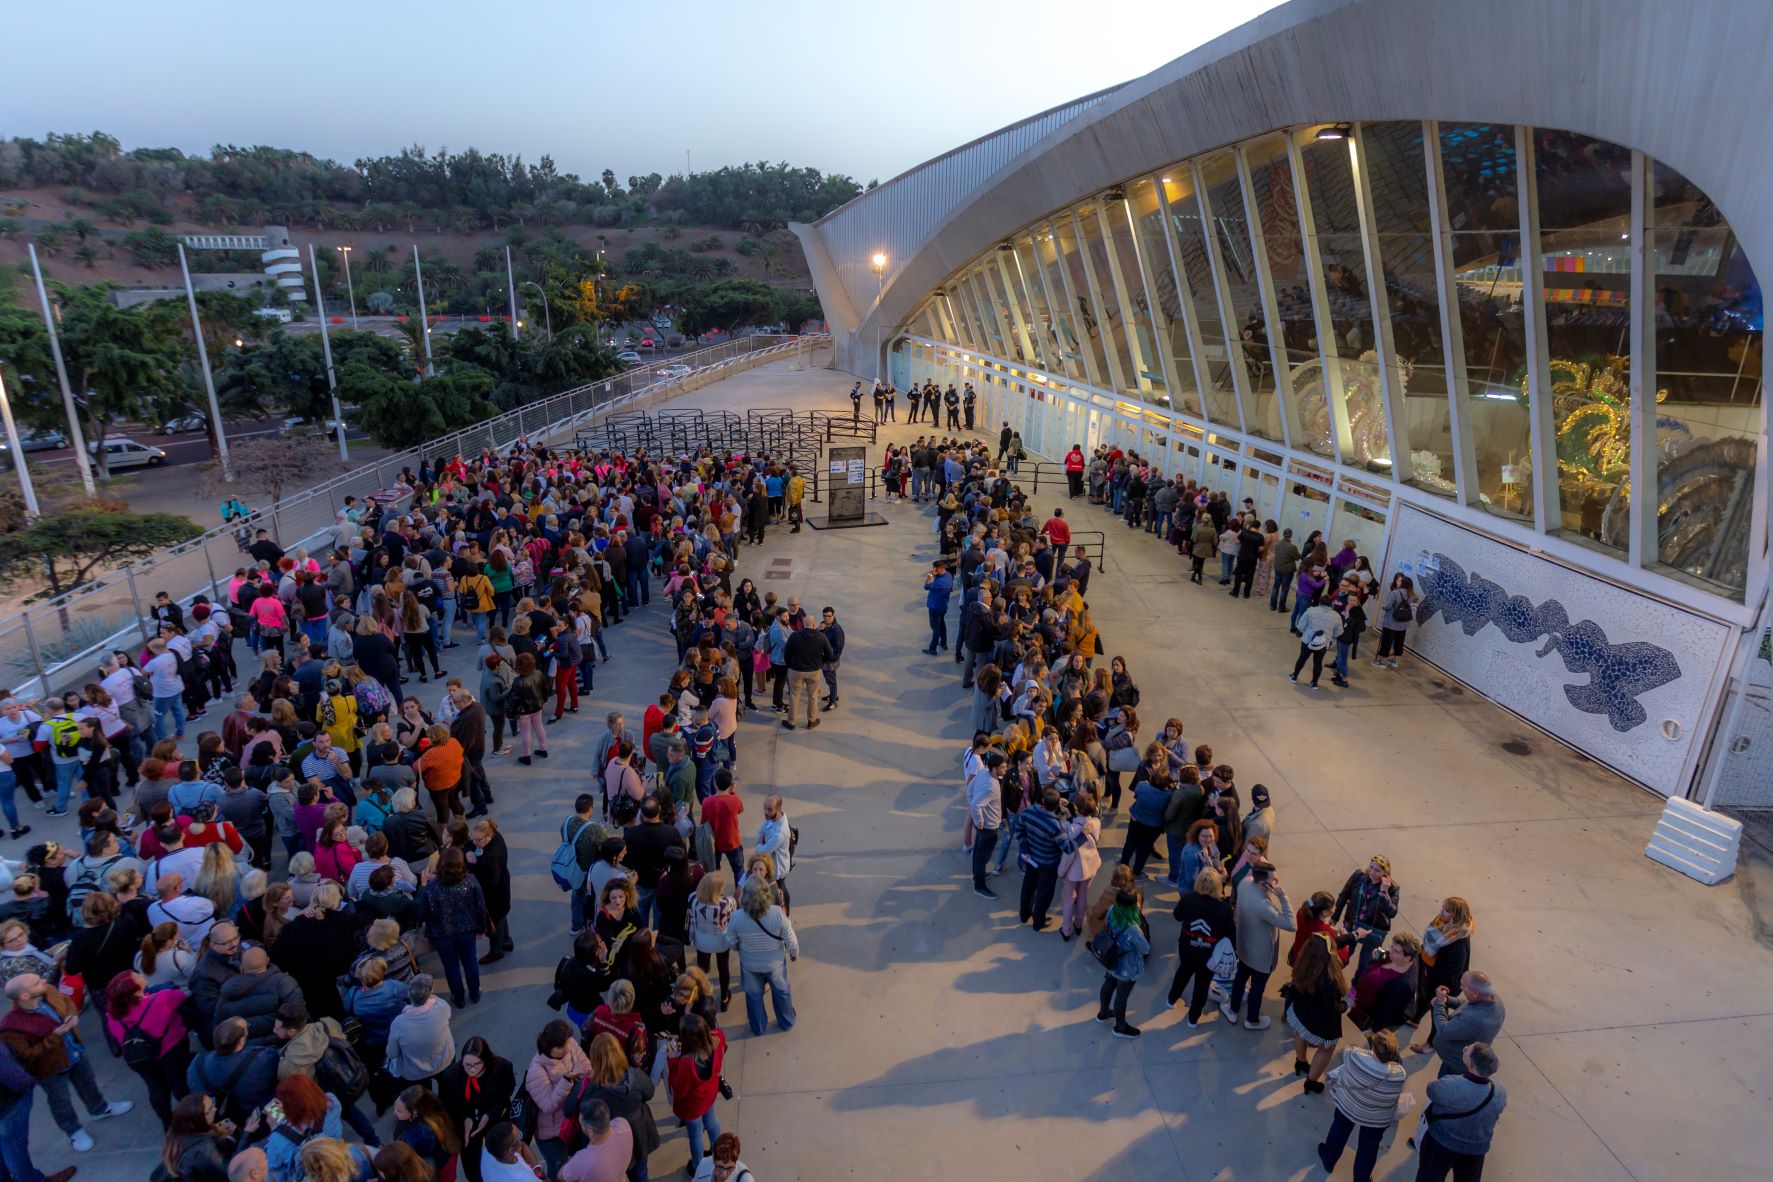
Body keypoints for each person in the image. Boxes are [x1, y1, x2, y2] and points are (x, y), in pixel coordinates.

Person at [0, 972, 133, 1153]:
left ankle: (100, 1108)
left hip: (75, 1052)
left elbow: (67, 1001)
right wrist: (55, 1036)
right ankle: (73, 1130)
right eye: (37, 982)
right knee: (60, 1100)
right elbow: (28, 1055)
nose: (44, 981)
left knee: (88, 1082)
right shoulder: (11, 1026)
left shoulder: (50, 991)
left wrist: (72, 1015)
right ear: (24, 996)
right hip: (50, 1069)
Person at [101, 970, 191, 1128]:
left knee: (156, 1087)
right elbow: (181, 996)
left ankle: (167, 1122)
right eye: (139, 977)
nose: (143, 976)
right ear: (135, 991)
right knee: (180, 1083)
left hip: (141, 1059)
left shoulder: (112, 1016)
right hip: (172, 1051)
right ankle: (193, 1114)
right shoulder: (161, 999)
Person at [1317, 1030, 1409, 1182]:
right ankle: (1362, 1178)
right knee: (1369, 1147)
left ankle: (1328, 1160)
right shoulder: (1400, 1074)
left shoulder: (1355, 1057)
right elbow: (1395, 1065)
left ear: (1373, 1048)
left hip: (1349, 1106)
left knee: (1339, 1130)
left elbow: (1349, 1048)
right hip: (1377, 1118)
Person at [1415, 1042, 1507, 1182]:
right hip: (1476, 1149)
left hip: (1442, 1142)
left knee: (1429, 1177)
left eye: (1466, 1049)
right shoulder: (1499, 1091)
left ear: (1471, 1063)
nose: (1463, 1049)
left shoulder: (1452, 1085)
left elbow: (1431, 1090)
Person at [1222, 862, 1294, 1030]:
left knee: (1240, 978)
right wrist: (1283, 898)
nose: (1277, 882)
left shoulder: (1245, 883)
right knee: (1257, 988)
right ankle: (1252, 1020)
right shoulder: (1263, 906)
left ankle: (1233, 1010)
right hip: (1262, 956)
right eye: (1274, 880)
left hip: (1244, 946)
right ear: (1264, 883)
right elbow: (1291, 924)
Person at [414, 849, 488, 1009]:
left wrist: (423, 886)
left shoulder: (432, 888)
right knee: (470, 961)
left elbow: (422, 914)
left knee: (451, 966)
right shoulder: (470, 882)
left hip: (442, 934)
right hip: (467, 930)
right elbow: (480, 907)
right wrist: (482, 928)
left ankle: (458, 997)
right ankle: (475, 992)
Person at [581, 1032, 657, 1182]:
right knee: (641, 1175)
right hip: (639, 1137)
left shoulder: (593, 1092)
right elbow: (650, 1093)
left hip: (612, 1145)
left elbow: (581, 1113)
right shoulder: (637, 1077)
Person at [438, 1036, 514, 1182]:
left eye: (477, 1064)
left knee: (502, 1155)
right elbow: (447, 1103)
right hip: (467, 1125)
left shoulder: (501, 1067)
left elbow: (507, 1091)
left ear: (485, 1060)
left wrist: (489, 1115)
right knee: (471, 1164)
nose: (472, 1069)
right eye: (467, 1065)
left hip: (494, 1118)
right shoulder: (450, 1076)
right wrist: (464, 1118)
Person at [728, 875, 796, 1037]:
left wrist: (738, 946)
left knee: (753, 995)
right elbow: (790, 937)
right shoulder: (777, 913)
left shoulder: (737, 917)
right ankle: (786, 1021)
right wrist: (794, 953)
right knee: (781, 991)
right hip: (775, 964)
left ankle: (758, 1027)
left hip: (750, 964)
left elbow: (730, 940)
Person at [1167, 868, 1233, 1027]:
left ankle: (1171, 999)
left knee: (1182, 973)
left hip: (1187, 948)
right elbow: (1230, 933)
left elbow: (1177, 916)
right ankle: (1193, 1018)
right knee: (1202, 985)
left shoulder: (1188, 898)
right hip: (1209, 954)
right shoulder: (1223, 908)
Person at [524, 1020, 589, 1179]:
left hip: (574, 1121)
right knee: (557, 1169)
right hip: (552, 1134)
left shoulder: (569, 1044)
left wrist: (583, 1074)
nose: (568, 1048)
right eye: (561, 1047)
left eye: (567, 1043)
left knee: (583, 1158)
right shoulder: (536, 1071)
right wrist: (567, 1080)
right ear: (550, 1048)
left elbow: (587, 1067)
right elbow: (547, 1105)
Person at [187, 1017, 279, 1129]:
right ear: (241, 1041)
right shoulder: (262, 1059)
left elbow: (199, 1099)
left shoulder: (196, 1066)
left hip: (228, 1125)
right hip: (262, 1119)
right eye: (246, 1029)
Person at [1284, 934, 1349, 1093]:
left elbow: (1327, 943)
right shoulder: (1328, 978)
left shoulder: (1304, 963)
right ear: (1328, 953)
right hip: (1320, 1022)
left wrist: (1353, 936)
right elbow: (1332, 1008)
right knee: (1327, 1048)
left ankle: (1300, 1061)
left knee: (1300, 1033)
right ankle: (1311, 1082)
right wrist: (1346, 1004)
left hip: (1301, 1012)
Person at [665, 1014, 727, 1175]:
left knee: (696, 1134)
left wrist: (672, 1061)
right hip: (710, 1093)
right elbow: (719, 1062)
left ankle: (698, 1166)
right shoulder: (718, 1038)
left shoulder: (686, 1063)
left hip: (693, 1106)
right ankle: (718, 1153)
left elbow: (679, 1090)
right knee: (712, 1121)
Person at [1418, 971, 1505, 1078]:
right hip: (1459, 1056)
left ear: (1475, 993)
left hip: (1456, 1065)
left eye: (1463, 985)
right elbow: (1468, 1004)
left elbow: (1444, 1030)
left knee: (1444, 1088)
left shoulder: (1474, 1019)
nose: (1461, 987)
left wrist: (1440, 1004)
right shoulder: (1492, 998)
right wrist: (1448, 1000)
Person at [1092, 889, 1150, 1040]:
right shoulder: (1133, 929)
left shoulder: (1111, 910)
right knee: (1122, 996)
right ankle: (1120, 1027)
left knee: (1109, 984)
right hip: (1127, 967)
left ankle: (1103, 1013)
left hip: (1111, 959)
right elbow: (1145, 948)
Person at [384, 975, 455, 1093]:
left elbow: (392, 1053)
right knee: (447, 1091)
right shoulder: (441, 1007)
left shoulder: (399, 1023)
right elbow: (439, 1003)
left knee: (424, 1097)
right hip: (444, 1062)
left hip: (416, 1072)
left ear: (409, 995)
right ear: (430, 992)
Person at [1333, 855, 1399, 975]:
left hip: (1373, 930)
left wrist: (1384, 892)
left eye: (1377, 870)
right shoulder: (1359, 876)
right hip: (1353, 924)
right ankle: (1332, 978)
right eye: (1371, 867)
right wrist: (1335, 916)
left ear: (1385, 873)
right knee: (1342, 956)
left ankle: (1356, 986)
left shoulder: (1392, 888)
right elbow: (1344, 895)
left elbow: (1392, 912)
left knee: (1365, 964)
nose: (1372, 872)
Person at [1290, 593, 1343, 689]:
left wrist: (1301, 631)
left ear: (1319, 602)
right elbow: (1339, 631)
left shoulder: (1311, 611)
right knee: (1318, 662)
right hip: (1323, 643)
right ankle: (1314, 683)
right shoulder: (1336, 616)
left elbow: (1301, 625)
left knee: (1302, 658)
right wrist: (1331, 637)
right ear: (1331, 604)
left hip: (1307, 640)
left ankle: (1294, 676)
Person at [477, 1121, 543, 1182]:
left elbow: (523, 1145)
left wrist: (536, 1169)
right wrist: (542, 1176)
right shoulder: (524, 1179)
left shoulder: (490, 1149)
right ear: (510, 1151)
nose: (521, 1137)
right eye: (519, 1135)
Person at [922, 561, 953, 655]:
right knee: (942, 624)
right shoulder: (948, 575)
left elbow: (926, 586)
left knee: (935, 628)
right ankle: (943, 642)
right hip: (943, 606)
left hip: (935, 606)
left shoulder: (940, 582)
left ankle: (933, 648)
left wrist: (930, 575)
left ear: (938, 568)